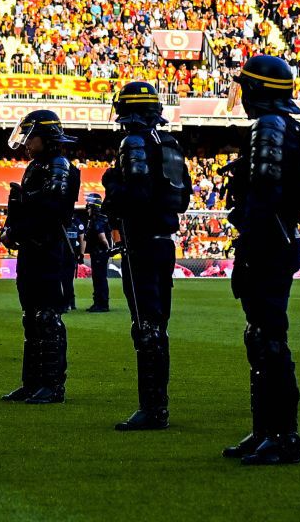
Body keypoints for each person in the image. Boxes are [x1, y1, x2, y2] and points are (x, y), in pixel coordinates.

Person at [221, 55, 300, 465]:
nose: (242, 96)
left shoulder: (268, 126)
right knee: (260, 335)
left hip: (268, 242)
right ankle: (266, 430)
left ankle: (282, 436)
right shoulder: (293, 127)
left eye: (245, 88)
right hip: (279, 241)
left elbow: (265, 190)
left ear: (258, 92)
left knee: (267, 339)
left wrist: (247, 247)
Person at [102, 81, 191, 431]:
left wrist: (112, 186)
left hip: (141, 242)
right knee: (158, 323)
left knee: (146, 326)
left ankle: (152, 408)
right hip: (164, 241)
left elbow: (134, 196)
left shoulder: (133, 142)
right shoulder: (171, 145)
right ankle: (157, 406)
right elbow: (181, 199)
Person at [0, 110, 81, 404]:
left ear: (45, 138)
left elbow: (51, 210)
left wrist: (18, 225)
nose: (26, 143)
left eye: (30, 137)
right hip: (33, 248)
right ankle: (32, 383)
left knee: (47, 317)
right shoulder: (38, 166)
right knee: (31, 318)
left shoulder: (59, 166)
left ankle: (52, 384)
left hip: (48, 248)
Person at [84, 194, 112, 313]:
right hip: (99, 253)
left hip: (99, 253)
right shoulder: (102, 218)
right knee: (99, 278)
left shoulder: (97, 220)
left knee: (99, 278)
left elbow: (102, 237)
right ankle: (99, 302)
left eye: (89, 207)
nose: (87, 209)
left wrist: (108, 248)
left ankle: (101, 304)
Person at [62, 212, 86, 311]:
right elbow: (82, 239)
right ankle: (71, 303)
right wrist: (81, 254)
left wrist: (81, 254)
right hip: (71, 255)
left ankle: (66, 303)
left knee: (64, 280)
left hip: (64, 255)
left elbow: (82, 239)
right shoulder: (77, 222)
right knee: (68, 280)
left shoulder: (62, 221)